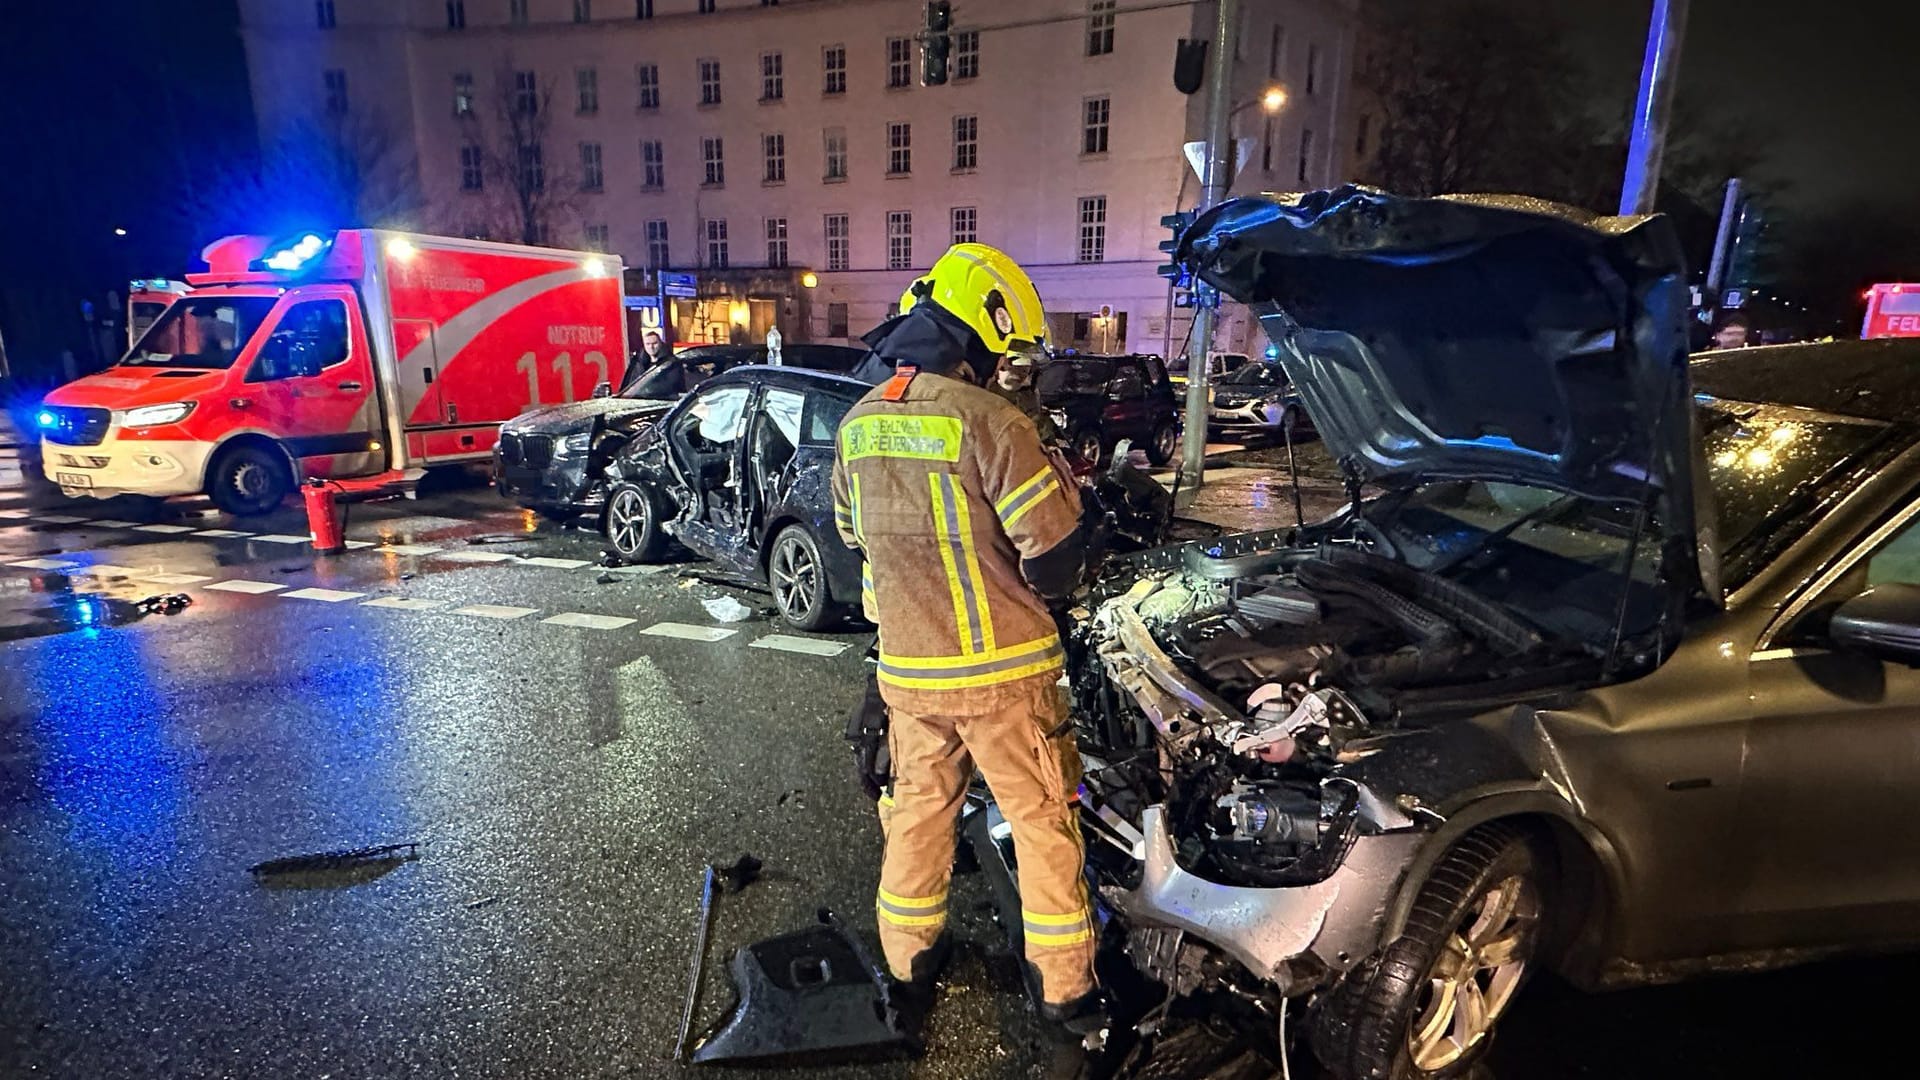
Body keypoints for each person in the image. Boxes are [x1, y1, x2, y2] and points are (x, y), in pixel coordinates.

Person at [831, 243, 1103, 1075]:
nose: (1005, 368)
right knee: (1045, 825)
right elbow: (1054, 557)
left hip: (910, 677)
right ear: (980, 335)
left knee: (918, 817)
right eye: (1004, 353)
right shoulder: (994, 424)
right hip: (1006, 682)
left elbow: (855, 541)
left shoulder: (859, 421)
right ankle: (1067, 998)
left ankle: (910, 970)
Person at [986, 351, 1060, 443]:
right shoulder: (983, 396)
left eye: (1025, 370)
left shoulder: (1030, 395)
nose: (1021, 374)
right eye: (1017, 367)